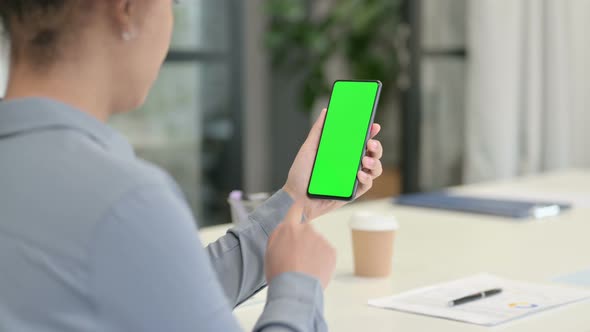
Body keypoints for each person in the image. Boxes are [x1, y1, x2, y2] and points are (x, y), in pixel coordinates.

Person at [0, 1, 384, 331]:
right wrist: (298, 288)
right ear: (126, 9)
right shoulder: (125, 200)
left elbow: (164, 292)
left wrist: (294, 202)